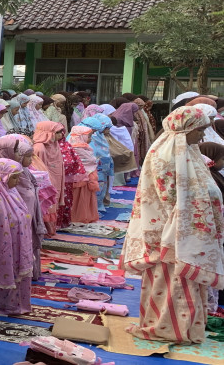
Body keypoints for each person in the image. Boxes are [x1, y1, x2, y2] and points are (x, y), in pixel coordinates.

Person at [122, 106, 224, 344]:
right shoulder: (166, 155)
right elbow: (170, 198)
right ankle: (167, 329)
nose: (202, 136)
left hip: (188, 234)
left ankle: (186, 328)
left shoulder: (189, 150)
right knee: (171, 281)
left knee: (185, 281)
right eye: (199, 130)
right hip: (170, 234)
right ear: (186, 128)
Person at [0, 158, 33, 315]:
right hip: (2, 250)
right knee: (3, 272)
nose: (18, 182)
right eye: (14, 177)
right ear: (0, 178)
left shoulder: (11, 193)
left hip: (16, 246)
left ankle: (12, 304)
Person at [33, 121, 65, 227]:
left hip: (56, 177)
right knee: (48, 201)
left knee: (54, 199)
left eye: (61, 131)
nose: (62, 134)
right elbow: (40, 169)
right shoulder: (40, 148)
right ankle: (46, 228)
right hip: (48, 180)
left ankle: (52, 227)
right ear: (48, 133)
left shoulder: (54, 144)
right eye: (58, 132)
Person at [81, 115, 115, 214]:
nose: (108, 130)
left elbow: (103, 151)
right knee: (94, 187)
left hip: (100, 167)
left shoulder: (99, 136)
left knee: (100, 186)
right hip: (92, 168)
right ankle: (91, 209)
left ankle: (97, 206)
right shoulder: (87, 136)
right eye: (107, 128)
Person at [67, 125, 100, 223]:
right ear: (81, 137)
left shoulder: (85, 148)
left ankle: (85, 215)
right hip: (80, 178)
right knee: (80, 198)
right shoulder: (76, 148)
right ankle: (79, 216)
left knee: (85, 197)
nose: (90, 139)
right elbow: (90, 161)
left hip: (86, 177)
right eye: (88, 136)